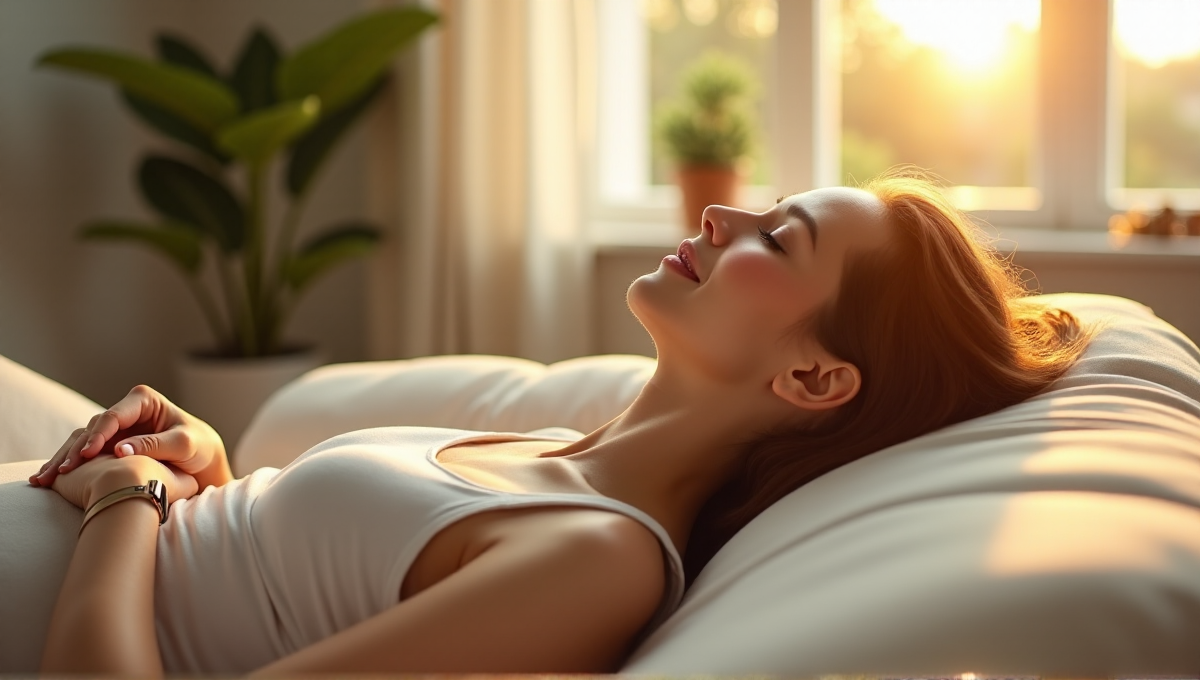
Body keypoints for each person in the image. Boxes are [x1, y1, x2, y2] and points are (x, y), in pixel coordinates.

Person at [28, 169, 1091, 676]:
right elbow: (273, 580)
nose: (720, 216)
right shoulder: (553, 460)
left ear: (816, 379)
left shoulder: (600, 556)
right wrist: (202, 468)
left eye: (782, 235)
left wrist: (127, 501)